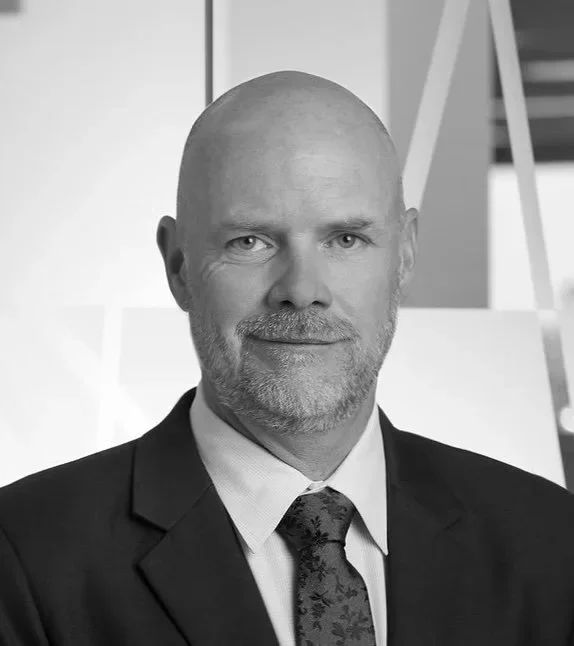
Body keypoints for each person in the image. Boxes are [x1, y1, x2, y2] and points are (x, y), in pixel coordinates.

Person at [1, 70, 573, 646]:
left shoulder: (551, 540)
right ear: (178, 266)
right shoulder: (24, 556)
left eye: (345, 239)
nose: (302, 290)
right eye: (249, 241)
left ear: (404, 256)